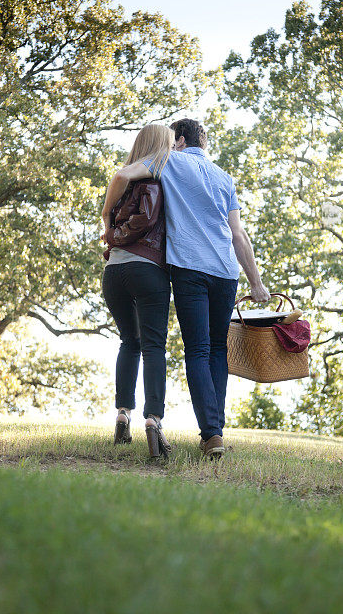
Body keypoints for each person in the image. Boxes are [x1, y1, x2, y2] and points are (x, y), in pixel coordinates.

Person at [102, 118, 269, 458]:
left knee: (197, 349)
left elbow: (123, 176)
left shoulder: (168, 159)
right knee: (217, 351)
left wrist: (107, 221)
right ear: (203, 142)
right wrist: (257, 282)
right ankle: (214, 433)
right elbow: (238, 234)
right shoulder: (225, 178)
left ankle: (211, 434)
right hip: (225, 270)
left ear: (177, 140)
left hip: (189, 269)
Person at [101, 123, 174, 457]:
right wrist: (114, 232)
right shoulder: (154, 180)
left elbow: (116, 222)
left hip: (113, 272)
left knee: (129, 341)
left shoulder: (125, 185)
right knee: (154, 346)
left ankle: (122, 414)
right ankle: (153, 419)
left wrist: (108, 228)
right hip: (146, 270)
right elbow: (144, 220)